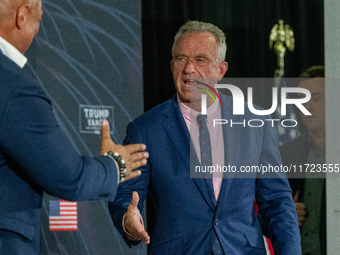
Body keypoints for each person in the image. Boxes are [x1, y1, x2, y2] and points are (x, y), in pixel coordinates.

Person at [109, 21, 301, 254]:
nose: (189, 68)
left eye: (200, 60)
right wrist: (128, 221)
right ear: (171, 66)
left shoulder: (256, 122)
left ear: (221, 70)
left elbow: (277, 201)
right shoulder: (145, 129)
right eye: (181, 59)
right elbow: (126, 197)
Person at [0, 0, 149, 254]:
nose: (43, 15)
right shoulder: (14, 87)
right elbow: (69, 177)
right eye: (39, 8)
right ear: (22, 16)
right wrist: (117, 165)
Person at [280, 65, 326, 255]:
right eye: (301, 99)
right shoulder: (286, 153)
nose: (306, 106)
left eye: (315, 98)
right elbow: (264, 215)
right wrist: (283, 215)